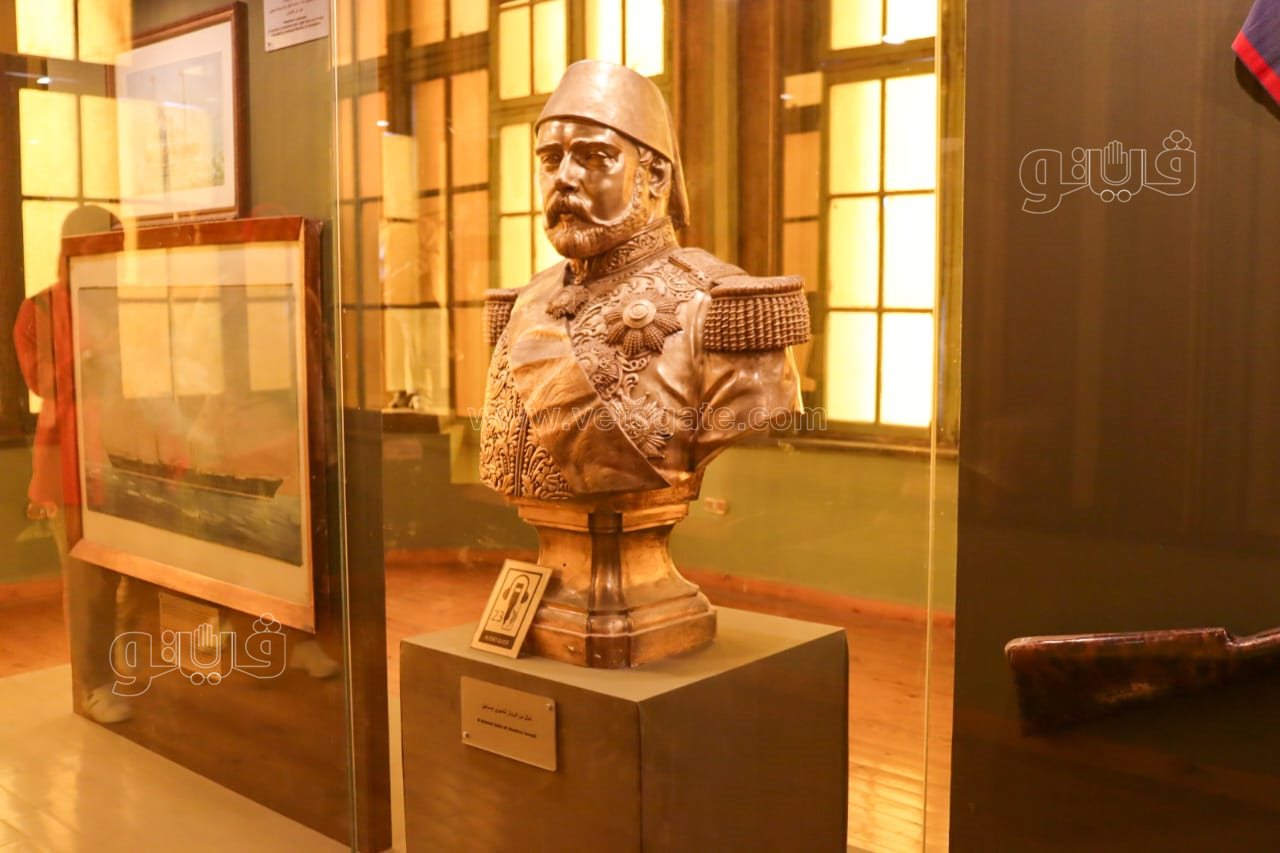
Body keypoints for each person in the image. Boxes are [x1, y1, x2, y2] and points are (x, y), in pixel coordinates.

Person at [479, 60, 808, 500]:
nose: (564, 179)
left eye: (595, 157)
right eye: (551, 159)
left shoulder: (715, 306)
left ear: (655, 176)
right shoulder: (528, 300)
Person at [13, 204, 133, 723]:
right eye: (109, 244)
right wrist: (89, 353)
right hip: (69, 459)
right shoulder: (39, 308)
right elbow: (44, 383)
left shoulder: (129, 304)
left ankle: (132, 666)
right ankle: (93, 683)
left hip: (131, 456)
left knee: (139, 576)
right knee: (86, 582)